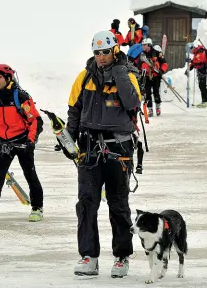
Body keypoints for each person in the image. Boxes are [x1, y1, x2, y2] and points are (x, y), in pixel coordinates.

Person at [64, 30, 141, 277]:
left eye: (105, 52)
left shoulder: (127, 73)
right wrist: (69, 139)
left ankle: (121, 257)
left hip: (119, 147)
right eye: (97, 52)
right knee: (86, 203)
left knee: (118, 203)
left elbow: (132, 103)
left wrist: (119, 73)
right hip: (89, 147)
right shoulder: (84, 76)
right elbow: (74, 110)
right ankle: (89, 256)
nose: (101, 57)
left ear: (114, 50)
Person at [0, 64, 44, 225]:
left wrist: (31, 141)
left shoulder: (21, 97)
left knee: (30, 175)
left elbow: (35, 121)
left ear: (8, 79)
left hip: (23, 142)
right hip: (4, 144)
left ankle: (37, 207)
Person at [137, 38, 168, 116]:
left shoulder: (157, 53)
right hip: (146, 76)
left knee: (156, 92)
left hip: (156, 76)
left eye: (145, 45)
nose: (143, 47)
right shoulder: (142, 55)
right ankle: (150, 109)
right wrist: (140, 72)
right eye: (142, 45)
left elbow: (165, 63)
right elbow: (138, 66)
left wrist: (161, 70)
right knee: (147, 93)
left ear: (149, 45)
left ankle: (158, 107)